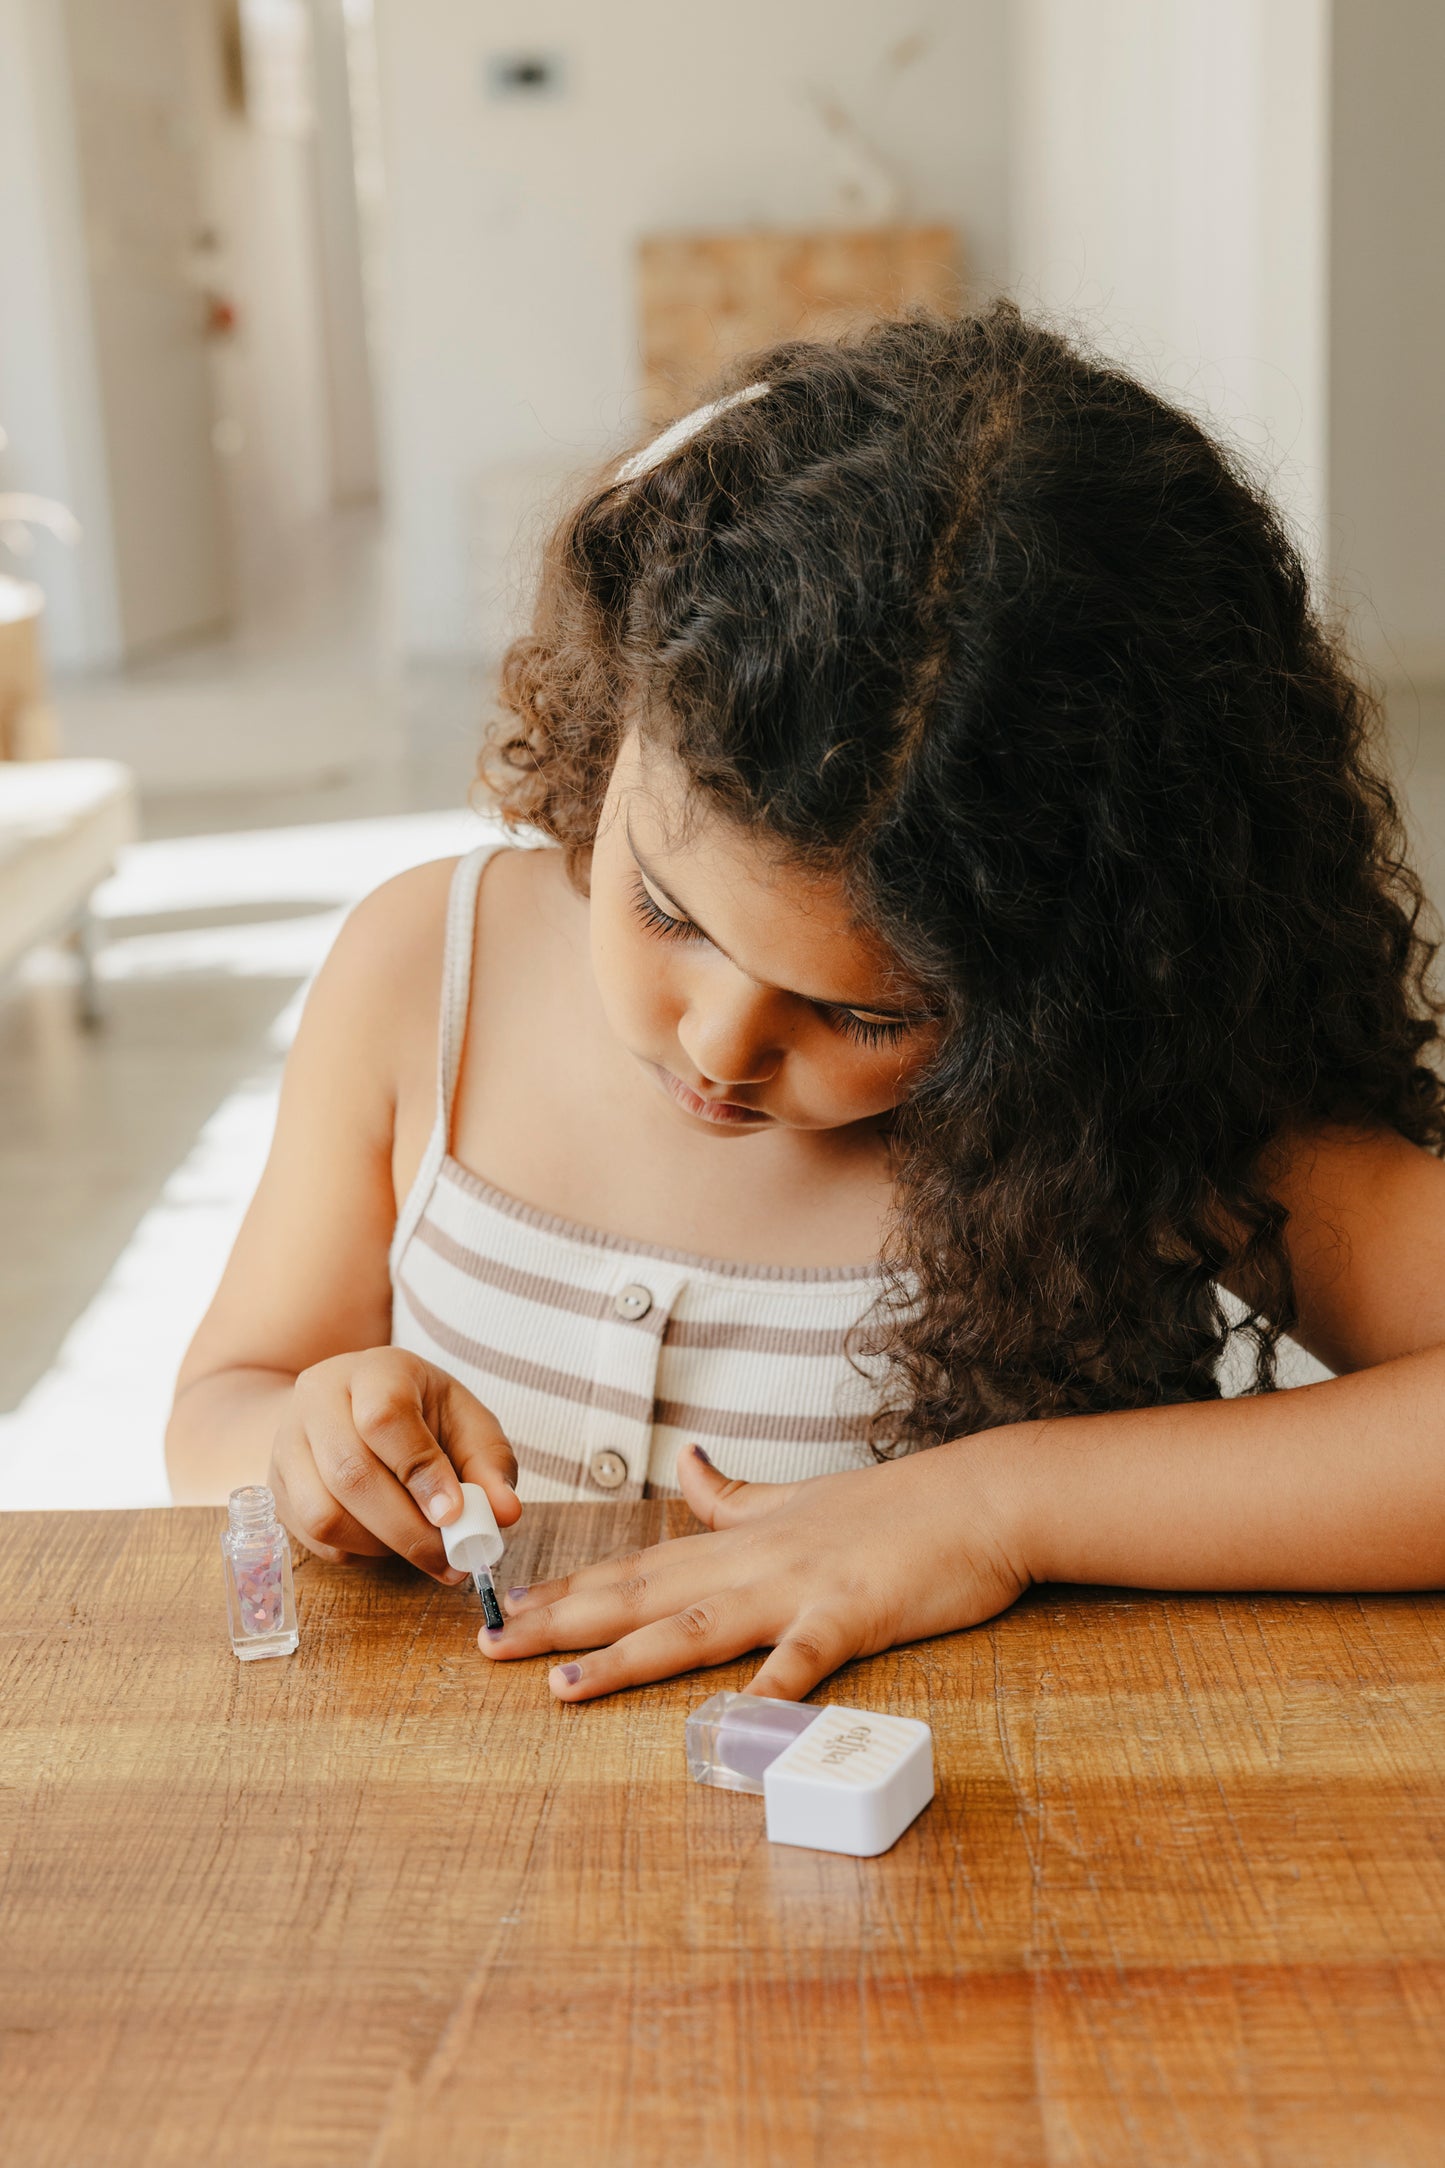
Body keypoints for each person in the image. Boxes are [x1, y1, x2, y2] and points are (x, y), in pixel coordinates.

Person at [167, 302, 1445, 1704]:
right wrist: (307, 1440)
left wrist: (990, 1506)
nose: (716, 1043)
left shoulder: (1118, 1101)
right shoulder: (425, 972)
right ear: (623, 705)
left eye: (869, 1017)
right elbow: (224, 1403)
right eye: (665, 909)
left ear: (1066, 988)